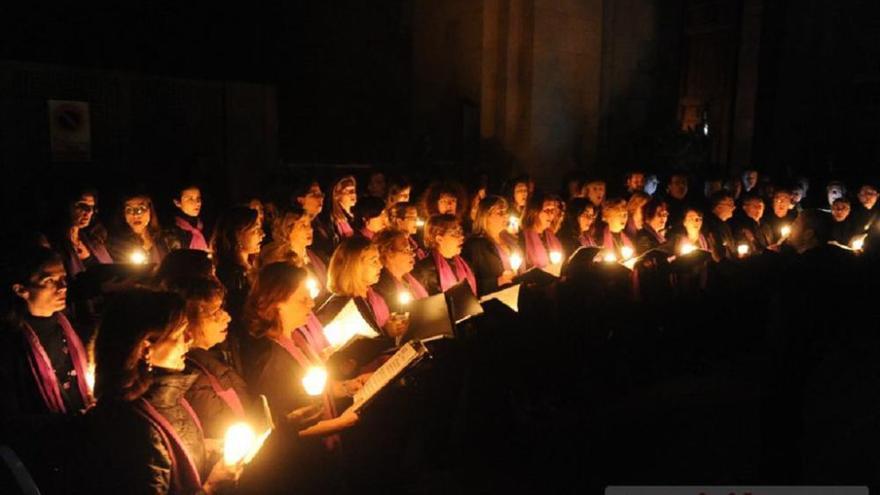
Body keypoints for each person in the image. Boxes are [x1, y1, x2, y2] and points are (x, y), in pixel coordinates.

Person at [86, 288, 239, 494]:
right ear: (146, 348)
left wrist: (204, 447)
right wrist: (212, 488)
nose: (189, 340)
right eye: (180, 333)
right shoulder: (133, 427)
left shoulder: (165, 396)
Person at [242, 263, 362, 436]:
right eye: (303, 299)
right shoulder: (269, 358)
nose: (312, 304)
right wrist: (339, 423)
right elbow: (284, 425)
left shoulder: (297, 338)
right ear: (277, 304)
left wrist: (346, 387)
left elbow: (314, 393)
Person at [172, 277, 254, 442]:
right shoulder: (191, 379)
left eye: (222, 308)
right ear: (188, 321)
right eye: (215, 312)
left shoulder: (222, 353)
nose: (227, 318)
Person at [318, 237, 408, 338]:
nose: (380, 265)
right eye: (374, 261)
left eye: (378, 260)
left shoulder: (374, 296)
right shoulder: (340, 307)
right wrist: (386, 332)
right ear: (355, 266)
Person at [258, 206, 329, 299]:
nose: (310, 230)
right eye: (303, 225)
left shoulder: (315, 256)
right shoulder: (281, 264)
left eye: (309, 224)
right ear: (287, 230)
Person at [212, 206, 265, 323]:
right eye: (255, 230)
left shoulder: (253, 266)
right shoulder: (231, 277)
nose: (262, 234)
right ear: (237, 235)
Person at [462, 196, 522, 296]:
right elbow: (470, 285)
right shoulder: (474, 246)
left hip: (518, 295)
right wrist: (498, 281)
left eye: (505, 211)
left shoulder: (511, 239)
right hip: (494, 302)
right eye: (500, 213)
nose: (505, 216)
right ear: (485, 217)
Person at [54, 188, 113, 278]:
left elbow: (110, 271)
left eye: (92, 207)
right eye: (81, 205)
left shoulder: (94, 238)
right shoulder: (51, 243)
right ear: (66, 206)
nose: (89, 211)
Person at [412, 214, 477, 295]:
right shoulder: (423, 271)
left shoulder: (466, 263)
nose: (461, 237)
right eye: (455, 233)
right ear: (439, 239)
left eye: (461, 232)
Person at [372, 230, 430, 304]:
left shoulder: (415, 279)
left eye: (411, 249)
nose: (413, 254)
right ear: (388, 254)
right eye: (407, 250)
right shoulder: (383, 291)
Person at [108, 192, 167, 264]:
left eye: (141, 208)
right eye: (129, 210)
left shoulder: (165, 239)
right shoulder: (115, 246)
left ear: (150, 211)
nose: (135, 215)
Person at [293, 179, 335, 257]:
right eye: (315, 194)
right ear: (300, 200)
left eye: (321, 195)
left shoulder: (323, 223)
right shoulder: (296, 229)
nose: (321, 198)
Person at [165, 183, 209, 252]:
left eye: (198, 198)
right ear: (177, 202)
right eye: (190, 199)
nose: (198, 202)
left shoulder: (204, 226)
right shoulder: (171, 231)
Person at [703, 191, 737, 261]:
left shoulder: (725, 224)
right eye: (730, 204)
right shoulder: (711, 225)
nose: (734, 208)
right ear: (719, 207)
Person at [327, 175, 358, 241]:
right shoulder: (335, 220)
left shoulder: (356, 216)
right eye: (347, 190)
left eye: (353, 190)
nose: (353, 193)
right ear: (337, 195)